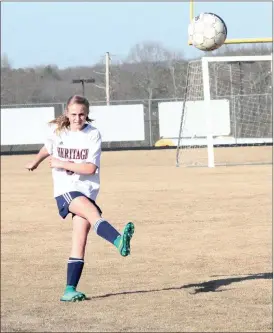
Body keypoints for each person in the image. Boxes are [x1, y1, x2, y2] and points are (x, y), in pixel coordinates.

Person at [25, 95, 135, 302]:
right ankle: (119, 240)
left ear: (87, 114)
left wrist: (61, 163)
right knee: (93, 214)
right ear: (66, 112)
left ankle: (69, 290)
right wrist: (36, 162)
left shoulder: (93, 134)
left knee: (80, 240)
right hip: (66, 190)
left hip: (87, 190)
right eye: (74, 114)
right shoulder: (57, 131)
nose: (77, 118)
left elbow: (90, 168)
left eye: (82, 114)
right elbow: (47, 148)